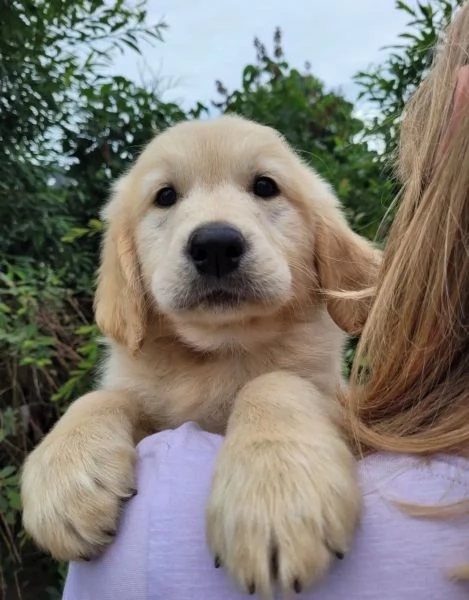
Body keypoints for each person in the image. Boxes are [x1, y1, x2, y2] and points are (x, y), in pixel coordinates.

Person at [62, 4, 469, 599]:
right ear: (128, 260)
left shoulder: (156, 513)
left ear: (325, 250)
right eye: (166, 197)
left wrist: (280, 403)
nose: (215, 234)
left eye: (263, 187)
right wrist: (94, 417)